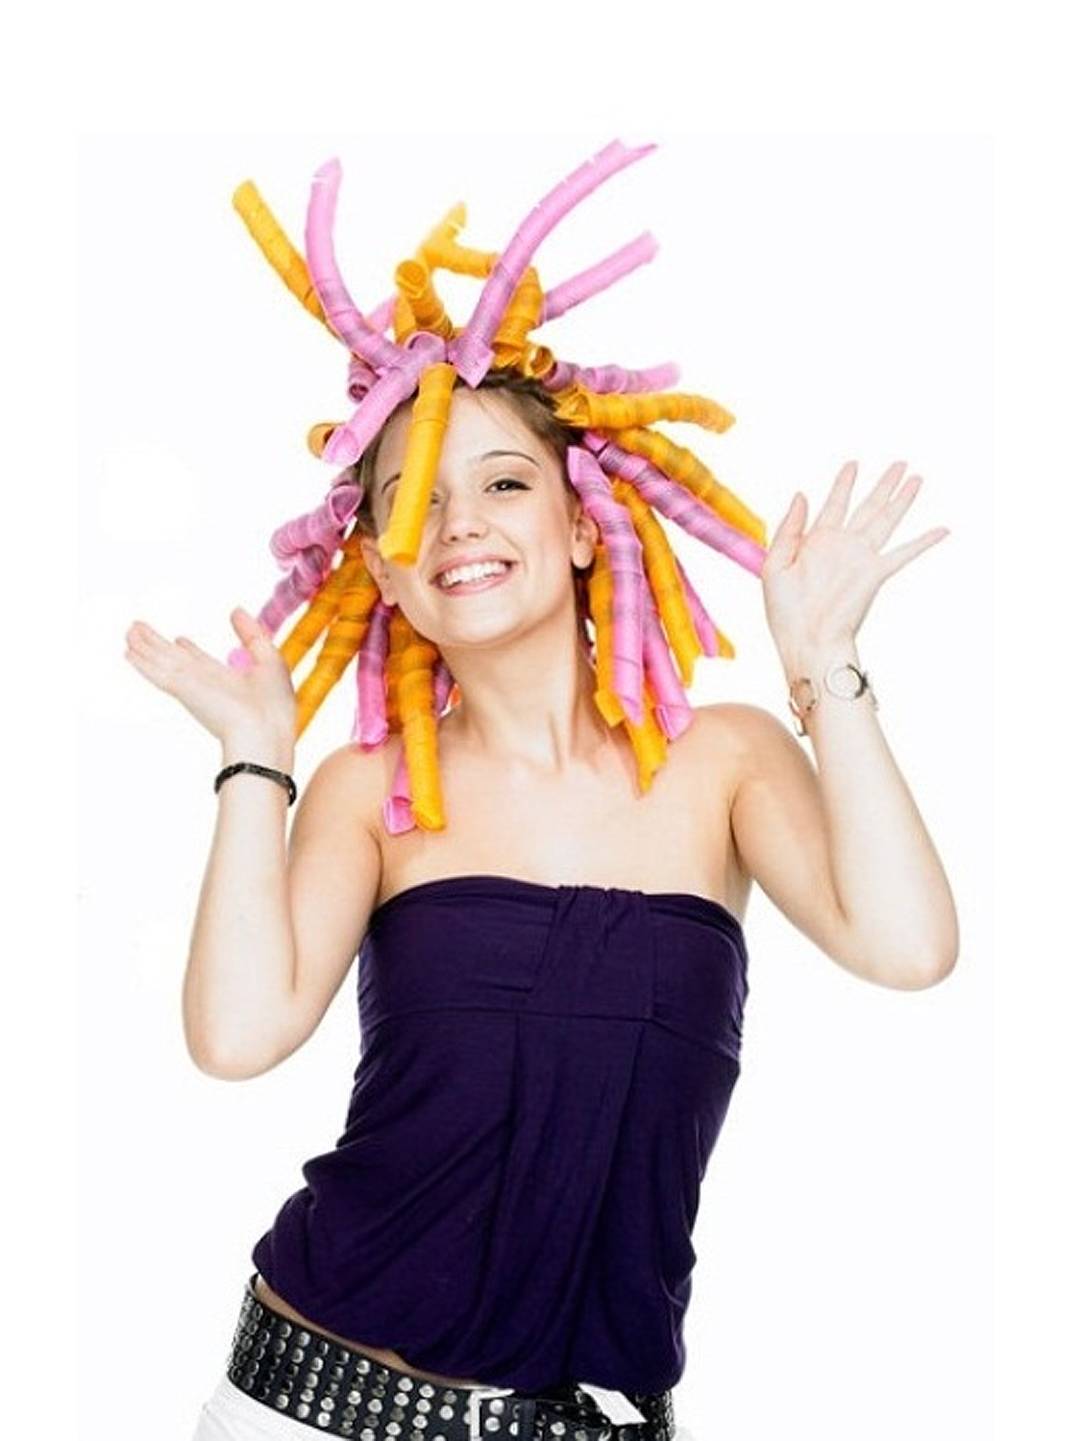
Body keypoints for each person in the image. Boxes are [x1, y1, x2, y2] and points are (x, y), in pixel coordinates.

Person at [124, 141, 958, 1441]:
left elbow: (908, 947)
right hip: (315, 1404)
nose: (458, 521)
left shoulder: (728, 760)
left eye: (503, 482)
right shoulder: (365, 789)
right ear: (384, 573)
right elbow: (235, 1038)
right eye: (415, 502)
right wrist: (254, 760)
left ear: (582, 524)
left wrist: (825, 666)